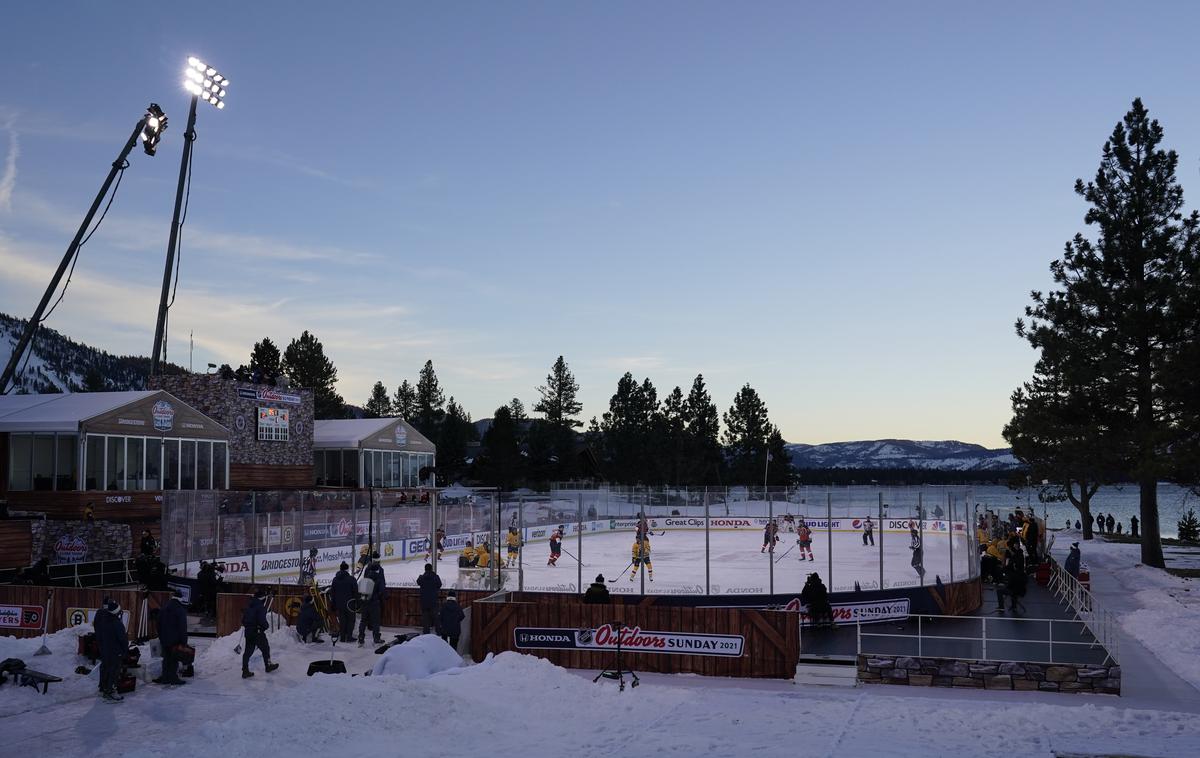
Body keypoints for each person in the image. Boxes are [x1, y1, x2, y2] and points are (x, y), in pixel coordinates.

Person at [93, 597, 128, 702]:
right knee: (114, 670)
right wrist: (124, 651)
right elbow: (122, 639)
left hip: (105, 649)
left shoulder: (103, 619)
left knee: (106, 668)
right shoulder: (116, 623)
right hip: (115, 651)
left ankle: (104, 688)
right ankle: (111, 691)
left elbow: (98, 631)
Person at [241, 589, 279, 678]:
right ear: (262, 599)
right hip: (257, 632)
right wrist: (266, 626)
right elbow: (262, 620)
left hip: (248, 632)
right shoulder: (260, 607)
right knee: (265, 648)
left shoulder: (249, 606)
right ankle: (268, 665)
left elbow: (243, 620)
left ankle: (245, 670)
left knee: (248, 652)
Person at [155, 589, 189, 685]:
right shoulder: (180, 610)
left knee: (166, 658)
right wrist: (184, 641)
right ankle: (173, 677)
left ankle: (165, 677)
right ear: (180, 599)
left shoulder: (164, 607)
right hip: (175, 639)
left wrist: (161, 636)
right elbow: (182, 627)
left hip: (164, 638)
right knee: (174, 659)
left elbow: (158, 623)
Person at [357, 552, 386, 646]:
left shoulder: (366, 570)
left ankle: (361, 638)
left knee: (363, 620)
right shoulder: (380, 573)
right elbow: (382, 589)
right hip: (374, 601)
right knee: (376, 621)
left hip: (365, 600)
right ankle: (376, 638)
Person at [331, 561, 357, 643]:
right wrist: (357, 602)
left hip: (339, 604)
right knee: (351, 620)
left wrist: (334, 604)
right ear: (347, 569)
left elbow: (333, 593)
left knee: (342, 620)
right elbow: (355, 592)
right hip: (350, 604)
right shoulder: (351, 579)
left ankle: (342, 637)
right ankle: (349, 636)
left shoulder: (335, 579)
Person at [996, 545, 1027, 614]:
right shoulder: (1022, 572)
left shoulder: (1013, 573)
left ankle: (1001, 608)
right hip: (1022, 590)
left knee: (1000, 591)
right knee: (1014, 589)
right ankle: (1014, 606)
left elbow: (1010, 585)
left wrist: (1004, 583)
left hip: (1016, 590)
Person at [417, 563, 442, 634]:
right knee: (436, 617)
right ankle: (439, 631)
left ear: (425, 569)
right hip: (433, 600)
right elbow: (439, 585)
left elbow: (418, 582)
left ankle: (426, 632)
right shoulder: (435, 577)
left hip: (424, 601)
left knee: (425, 618)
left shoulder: (421, 577)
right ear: (431, 569)